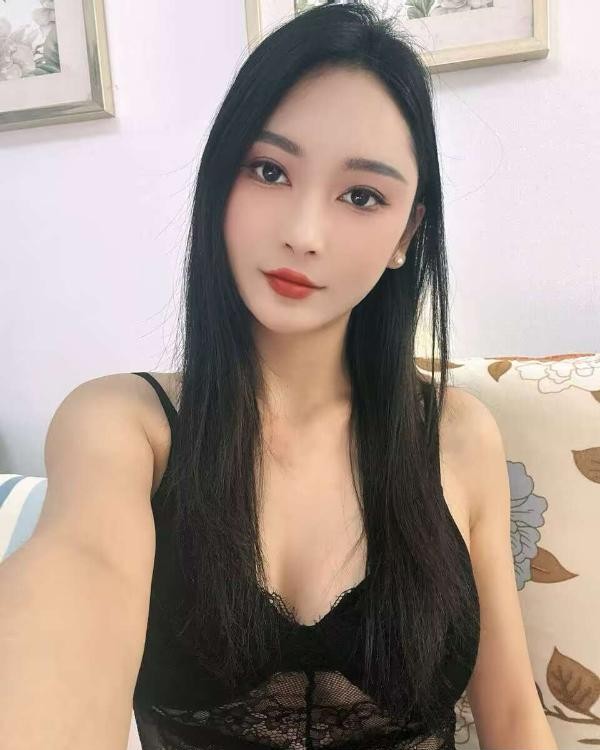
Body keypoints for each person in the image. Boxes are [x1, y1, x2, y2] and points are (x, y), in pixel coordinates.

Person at [1, 3, 557, 749]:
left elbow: (514, 719)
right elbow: (74, 579)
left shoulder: (455, 436)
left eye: (361, 195)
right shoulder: (122, 426)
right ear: (220, 180)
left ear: (407, 234)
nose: (303, 232)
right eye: (269, 170)